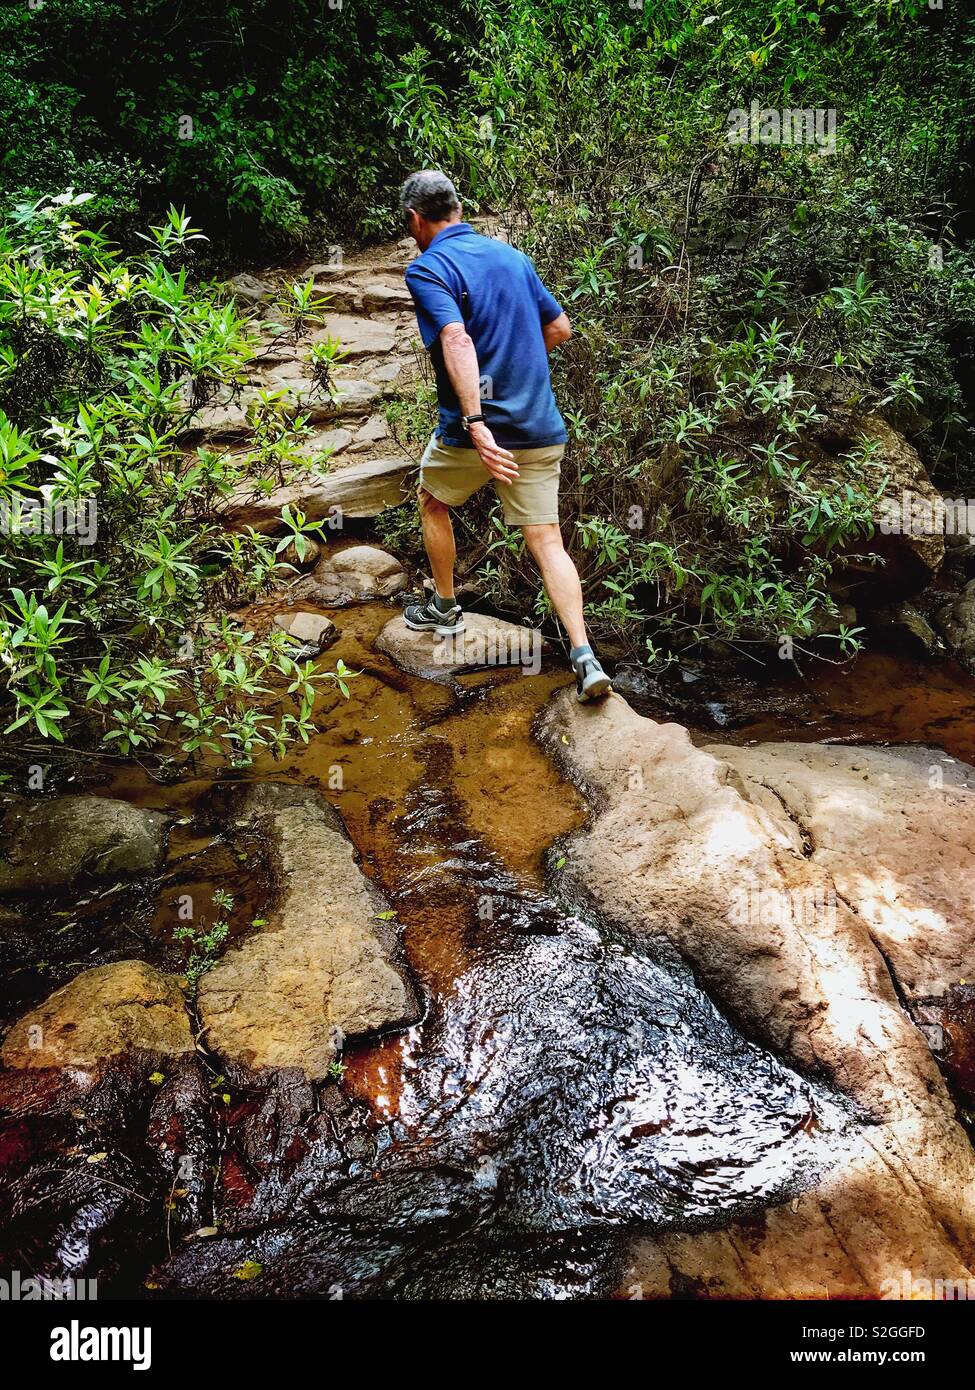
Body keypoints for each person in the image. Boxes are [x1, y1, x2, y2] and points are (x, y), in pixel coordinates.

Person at [399, 169, 612, 702]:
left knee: (432, 500)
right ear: (458, 208)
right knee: (547, 540)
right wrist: (519, 373)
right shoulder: (511, 257)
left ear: (415, 219)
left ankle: (445, 607)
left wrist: (477, 423)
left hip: (473, 432)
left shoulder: (428, 268)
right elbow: (560, 328)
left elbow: (454, 336)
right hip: (539, 426)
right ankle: (584, 657)